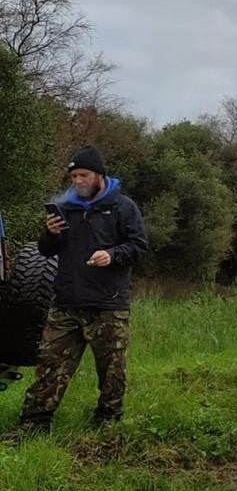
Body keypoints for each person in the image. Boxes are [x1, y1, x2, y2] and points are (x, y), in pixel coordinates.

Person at [18, 145, 149, 434]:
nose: (78, 181)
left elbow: (139, 246)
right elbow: (46, 251)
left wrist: (112, 255)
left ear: (99, 175)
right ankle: (33, 425)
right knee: (50, 366)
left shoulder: (122, 207)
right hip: (66, 302)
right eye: (74, 176)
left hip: (107, 304)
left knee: (112, 371)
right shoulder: (66, 208)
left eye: (83, 175)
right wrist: (49, 233)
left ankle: (107, 423)